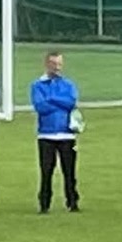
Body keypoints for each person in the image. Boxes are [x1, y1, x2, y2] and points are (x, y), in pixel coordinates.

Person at [24, 52, 80, 215]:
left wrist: (52, 98)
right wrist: (59, 102)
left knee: (69, 172)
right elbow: (41, 107)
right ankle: (44, 203)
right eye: (54, 64)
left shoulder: (68, 84)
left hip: (67, 134)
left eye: (59, 64)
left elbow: (70, 102)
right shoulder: (37, 85)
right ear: (47, 64)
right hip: (46, 134)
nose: (57, 67)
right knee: (46, 171)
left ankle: (72, 202)